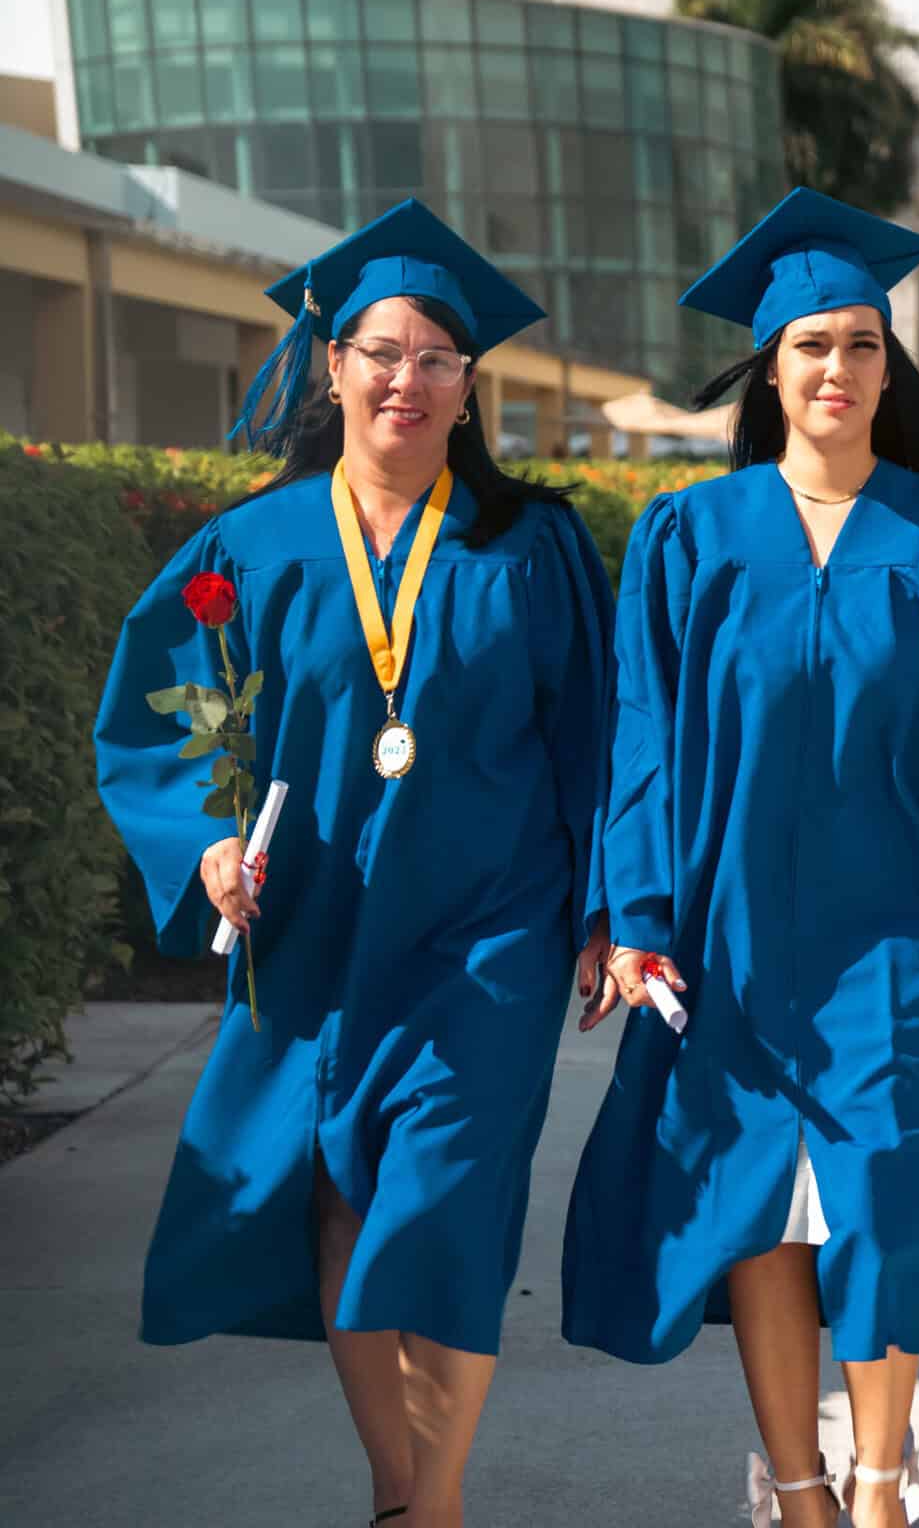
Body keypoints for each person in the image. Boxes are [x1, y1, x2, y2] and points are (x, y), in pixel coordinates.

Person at [93, 200, 613, 1528]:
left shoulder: (530, 547)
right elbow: (159, 718)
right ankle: (401, 1489)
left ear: (468, 386)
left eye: (437, 358)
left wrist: (611, 910)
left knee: (450, 1205)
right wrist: (209, 842)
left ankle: (432, 1504)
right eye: (382, 352)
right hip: (319, 929)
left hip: (490, 939)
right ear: (334, 367)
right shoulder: (251, 550)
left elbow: (598, 738)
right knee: (343, 1204)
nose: (406, 380)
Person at [561, 188, 919, 1528]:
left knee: (883, 1205)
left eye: (863, 344)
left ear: (889, 367)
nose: (838, 368)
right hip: (730, 928)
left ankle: (878, 1484)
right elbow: (641, 733)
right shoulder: (689, 534)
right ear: (771, 367)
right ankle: (800, 1488)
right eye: (813, 345)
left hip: (901, 929)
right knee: (762, 1207)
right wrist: (638, 913)